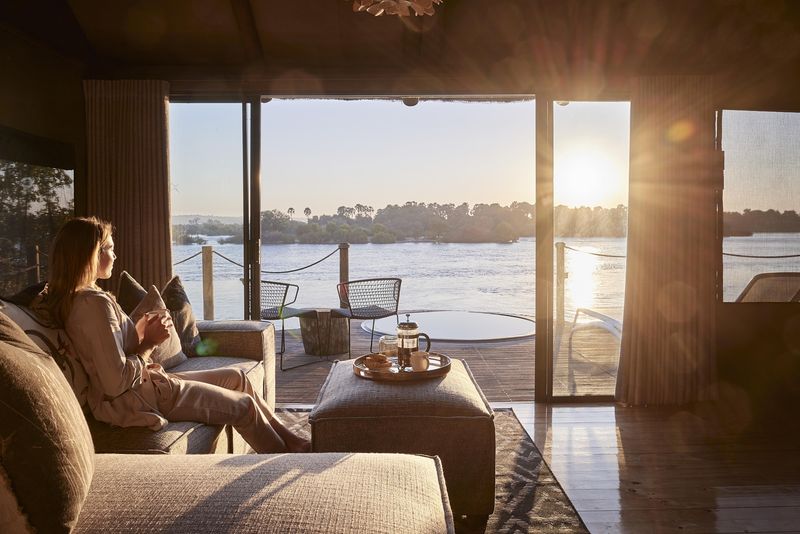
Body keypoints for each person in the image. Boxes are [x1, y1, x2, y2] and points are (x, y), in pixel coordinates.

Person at [47, 216, 309, 453]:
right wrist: (149, 342)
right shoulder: (93, 305)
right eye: (110, 249)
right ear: (92, 253)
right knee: (245, 408)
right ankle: (282, 462)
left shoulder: (85, 298)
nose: (115, 255)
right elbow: (115, 382)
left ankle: (292, 440)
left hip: (147, 383)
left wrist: (138, 331)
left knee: (236, 377)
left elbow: (108, 349)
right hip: (139, 397)